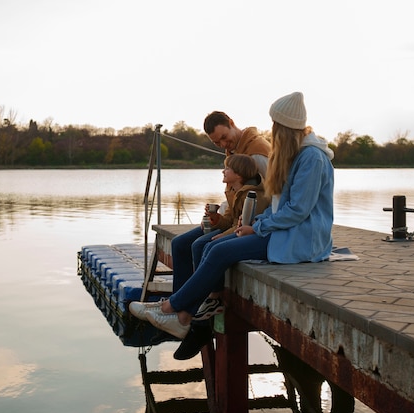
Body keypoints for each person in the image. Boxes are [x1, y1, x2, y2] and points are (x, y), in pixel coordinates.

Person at [133, 92, 335, 357]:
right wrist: (255, 223)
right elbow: (280, 205)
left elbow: (298, 210)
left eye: (276, 126)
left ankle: (172, 309)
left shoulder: (311, 158)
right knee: (208, 247)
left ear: (286, 128)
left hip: (302, 238)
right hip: (284, 230)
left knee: (217, 250)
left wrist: (258, 227)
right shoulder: (296, 154)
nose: (272, 131)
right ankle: (181, 315)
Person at [204, 111, 272, 178]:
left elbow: (275, 185)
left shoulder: (257, 152)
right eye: (217, 142)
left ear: (231, 123)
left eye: (224, 137)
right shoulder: (233, 151)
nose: (223, 145)